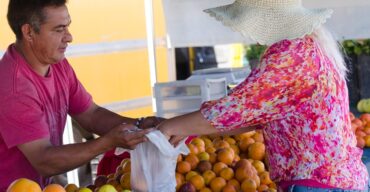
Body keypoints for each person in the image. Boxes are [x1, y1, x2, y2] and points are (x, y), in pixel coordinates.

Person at [158, 0, 369, 191]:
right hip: (334, 181)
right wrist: (186, 128)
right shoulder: (310, 45)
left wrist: (169, 127)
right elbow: (254, 114)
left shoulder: (291, 53)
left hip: (319, 183)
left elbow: (236, 109)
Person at [0, 0, 161, 190]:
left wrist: (139, 126)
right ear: (28, 32)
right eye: (59, 29)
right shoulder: (14, 87)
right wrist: (107, 142)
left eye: (67, 27)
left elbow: (91, 114)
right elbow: (44, 160)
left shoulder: (57, 64)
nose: (69, 37)